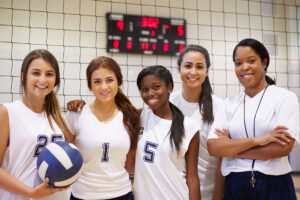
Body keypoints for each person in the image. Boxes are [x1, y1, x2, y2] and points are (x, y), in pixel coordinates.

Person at [207, 38, 299, 200]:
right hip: (235, 184)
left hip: (275, 184)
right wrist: (260, 140)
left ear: (264, 62)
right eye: (238, 63)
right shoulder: (228, 104)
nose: (244, 67)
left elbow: (282, 148)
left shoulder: (284, 98)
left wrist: (233, 150)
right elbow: (214, 147)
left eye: (251, 61)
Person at [65, 56, 140, 200]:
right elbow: (65, 158)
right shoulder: (76, 115)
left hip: (121, 194)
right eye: (97, 81)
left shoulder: (130, 117)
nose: (104, 87)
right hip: (83, 194)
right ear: (90, 85)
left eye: (109, 80)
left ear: (118, 81)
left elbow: (130, 165)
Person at [0, 49, 71, 200]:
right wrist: (31, 192)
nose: (43, 80)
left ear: (56, 80)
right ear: (23, 76)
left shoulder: (57, 116)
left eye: (49, 74)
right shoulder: (7, 112)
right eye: (36, 73)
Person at [133, 65, 200, 200]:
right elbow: (110, 113)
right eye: (144, 89)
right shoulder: (140, 116)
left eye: (156, 87)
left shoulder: (189, 127)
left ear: (169, 87)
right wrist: (80, 106)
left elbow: (192, 178)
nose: (150, 93)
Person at [170, 45, 224, 200]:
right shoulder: (168, 103)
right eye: (188, 66)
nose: (193, 72)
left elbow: (224, 159)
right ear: (179, 69)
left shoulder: (219, 107)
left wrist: (217, 197)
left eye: (199, 67)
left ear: (207, 71)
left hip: (207, 193)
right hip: (172, 192)